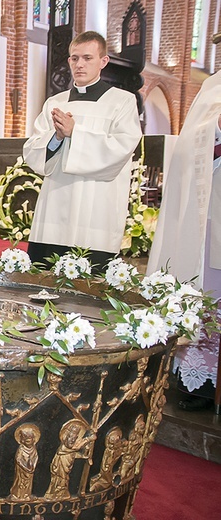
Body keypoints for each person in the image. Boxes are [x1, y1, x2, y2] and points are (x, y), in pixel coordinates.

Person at [23, 31, 142, 271]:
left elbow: (123, 146)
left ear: (103, 61)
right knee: (45, 279)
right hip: (54, 206)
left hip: (96, 208)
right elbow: (33, 149)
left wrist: (76, 133)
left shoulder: (122, 101)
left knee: (89, 285)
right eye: (74, 58)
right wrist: (56, 137)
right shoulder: (54, 103)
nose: (79, 64)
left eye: (87, 58)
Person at [147, 71, 221, 411]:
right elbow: (192, 144)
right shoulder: (212, 85)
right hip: (214, 205)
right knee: (208, 286)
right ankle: (202, 380)